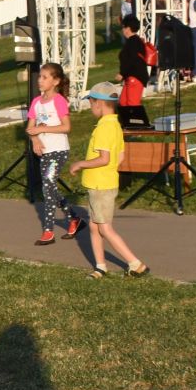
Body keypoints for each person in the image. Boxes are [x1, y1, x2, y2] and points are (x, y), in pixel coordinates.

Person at [69, 83, 147, 278]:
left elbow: (104, 158)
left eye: (91, 103)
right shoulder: (115, 125)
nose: (90, 107)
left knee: (104, 228)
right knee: (94, 227)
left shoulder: (104, 128)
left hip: (100, 186)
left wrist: (80, 164)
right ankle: (100, 266)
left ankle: (135, 263)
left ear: (100, 104)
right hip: (106, 182)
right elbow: (119, 157)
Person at [25, 62, 79, 246]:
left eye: (44, 77)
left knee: (47, 187)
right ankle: (73, 218)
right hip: (44, 152)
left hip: (58, 151)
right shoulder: (36, 103)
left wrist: (44, 128)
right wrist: (35, 140)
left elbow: (67, 127)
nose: (40, 80)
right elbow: (30, 128)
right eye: (40, 77)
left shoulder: (59, 101)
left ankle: (48, 231)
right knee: (49, 188)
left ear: (55, 81)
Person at [117, 15, 151, 125]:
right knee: (123, 102)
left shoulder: (133, 42)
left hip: (135, 77)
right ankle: (127, 125)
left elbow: (131, 61)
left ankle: (138, 126)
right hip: (130, 77)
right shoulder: (133, 41)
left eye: (123, 27)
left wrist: (122, 73)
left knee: (132, 104)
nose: (122, 30)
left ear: (128, 28)